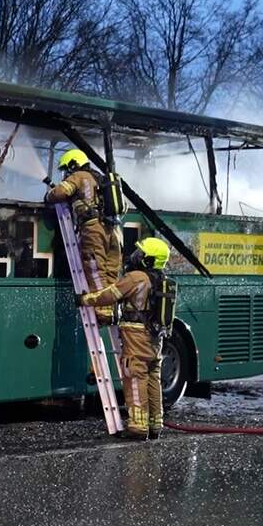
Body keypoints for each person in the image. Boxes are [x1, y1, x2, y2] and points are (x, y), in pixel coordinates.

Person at [78, 237, 171, 440]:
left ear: (148, 259)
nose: (134, 256)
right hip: (155, 339)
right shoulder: (163, 281)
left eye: (140, 253)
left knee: (135, 378)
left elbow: (109, 295)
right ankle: (155, 424)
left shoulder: (136, 277)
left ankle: (138, 427)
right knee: (152, 378)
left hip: (137, 338)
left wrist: (85, 299)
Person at [44, 149, 122, 321]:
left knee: (95, 268)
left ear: (74, 164)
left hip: (93, 229)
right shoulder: (100, 178)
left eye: (67, 169)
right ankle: (111, 309)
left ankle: (102, 311)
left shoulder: (79, 176)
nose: (66, 173)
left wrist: (49, 195)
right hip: (113, 229)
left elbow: (59, 193)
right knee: (111, 272)